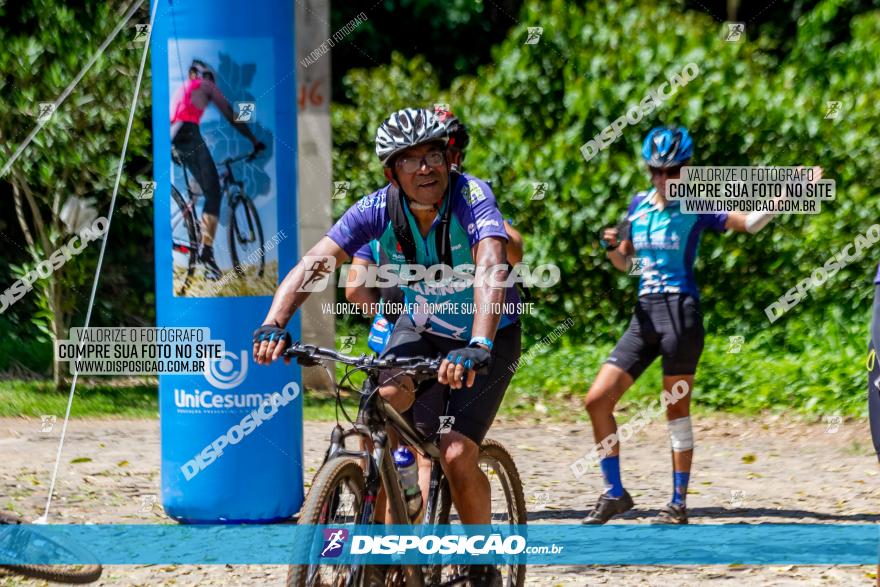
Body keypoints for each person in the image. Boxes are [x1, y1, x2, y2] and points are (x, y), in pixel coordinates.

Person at [253, 107, 522, 584]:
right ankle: (393, 509)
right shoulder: (376, 208)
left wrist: (479, 341)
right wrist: (275, 321)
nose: (426, 167)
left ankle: (482, 567)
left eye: (434, 154)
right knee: (381, 405)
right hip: (422, 324)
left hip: (488, 331)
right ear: (391, 171)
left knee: (457, 453)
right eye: (411, 159)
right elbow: (318, 261)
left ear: (448, 159)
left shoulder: (472, 196)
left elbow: (492, 265)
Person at [581, 125, 783, 525]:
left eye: (672, 171)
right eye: (657, 171)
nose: (664, 178)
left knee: (676, 410)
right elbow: (626, 263)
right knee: (597, 400)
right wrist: (609, 248)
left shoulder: (698, 203)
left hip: (682, 313)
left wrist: (790, 192)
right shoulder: (638, 206)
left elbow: (751, 223)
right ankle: (615, 493)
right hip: (644, 314)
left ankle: (677, 502)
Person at [345, 108, 523, 353]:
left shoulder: (386, 205)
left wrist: (385, 318)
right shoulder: (468, 198)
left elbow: (355, 288)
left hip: (411, 325)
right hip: (427, 325)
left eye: (439, 155)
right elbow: (514, 255)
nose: (427, 167)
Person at [170, 59, 264, 279]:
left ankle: (193, 232)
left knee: (203, 187)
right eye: (210, 77)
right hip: (187, 134)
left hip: (173, 135)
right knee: (214, 192)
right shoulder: (206, 85)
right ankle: (207, 252)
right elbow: (231, 115)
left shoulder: (184, 88)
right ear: (206, 76)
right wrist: (253, 140)